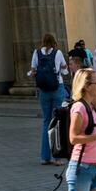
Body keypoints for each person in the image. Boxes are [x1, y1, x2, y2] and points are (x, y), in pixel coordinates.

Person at [29, 34, 68, 165]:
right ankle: (57, 157)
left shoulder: (37, 52)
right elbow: (64, 67)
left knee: (46, 121)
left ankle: (45, 157)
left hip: (44, 90)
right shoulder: (58, 53)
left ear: (43, 41)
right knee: (57, 121)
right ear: (54, 42)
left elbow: (33, 70)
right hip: (57, 88)